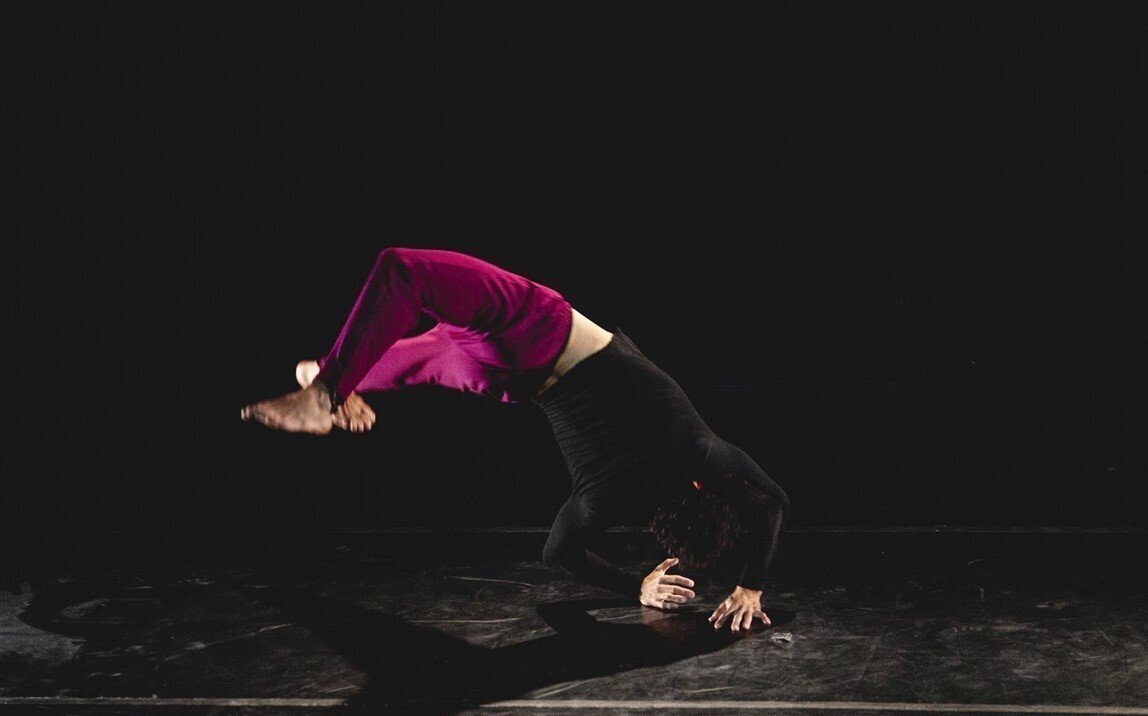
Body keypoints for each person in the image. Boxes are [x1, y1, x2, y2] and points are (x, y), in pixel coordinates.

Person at [241, 247, 789, 631]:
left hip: (538, 330)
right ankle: (331, 381)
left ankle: (326, 391)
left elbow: (771, 501)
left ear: (702, 487)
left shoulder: (696, 450)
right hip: (498, 379)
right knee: (371, 357)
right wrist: (635, 588)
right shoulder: (605, 497)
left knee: (403, 269)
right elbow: (558, 554)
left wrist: (752, 585)